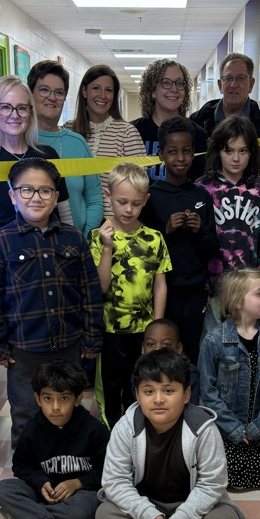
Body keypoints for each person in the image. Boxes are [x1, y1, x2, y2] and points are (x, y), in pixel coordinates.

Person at [96, 349, 244, 519]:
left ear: (186, 395)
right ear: (137, 395)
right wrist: (151, 516)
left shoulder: (203, 428)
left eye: (168, 390)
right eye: (149, 391)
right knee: (104, 514)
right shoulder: (126, 426)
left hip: (188, 507)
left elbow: (212, 485)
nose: (158, 399)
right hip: (145, 507)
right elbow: (115, 481)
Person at [0, 158, 103, 445]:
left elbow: (90, 292)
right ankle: (28, 472)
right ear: (12, 195)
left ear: (56, 196)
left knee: (69, 408)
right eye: (27, 190)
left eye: (45, 191)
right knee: (26, 412)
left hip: (70, 346)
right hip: (24, 351)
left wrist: (92, 338)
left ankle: (69, 463)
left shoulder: (74, 239)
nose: (36, 197)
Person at [0, 360, 109, 519]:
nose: (56, 407)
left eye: (64, 398)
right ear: (38, 399)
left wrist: (78, 482)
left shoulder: (94, 431)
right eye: (48, 398)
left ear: (78, 399)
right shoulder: (32, 429)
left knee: (85, 510)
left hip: (81, 494)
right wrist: (41, 481)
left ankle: (19, 518)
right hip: (43, 493)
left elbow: (108, 472)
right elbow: (21, 466)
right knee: (2, 489)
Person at [89, 162, 171, 428]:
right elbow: (101, 286)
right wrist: (107, 248)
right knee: (110, 386)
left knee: (138, 382)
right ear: (108, 196)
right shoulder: (96, 237)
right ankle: (112, 432)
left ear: (146, 200)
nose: (128, 209)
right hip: (110, 329)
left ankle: (137, 429)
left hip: (143, 330)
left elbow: (160, 285)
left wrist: (156, 328)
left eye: (135, 204)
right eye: (122, 202)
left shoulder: (155, 238)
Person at [199, 268, 260, 490]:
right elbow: (208, 392)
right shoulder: (214, 340)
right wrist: (233, 429)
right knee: (232, 481)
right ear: (238, 302)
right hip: (228, 427)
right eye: (259, 293)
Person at [140, 117, 219, 363]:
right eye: (172, 152)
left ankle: (189, 398)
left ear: (194, 153)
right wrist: (166, 230)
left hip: (195, 292)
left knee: (191, 352)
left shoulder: (201, 195)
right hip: (165, 292)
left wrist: (199, 231)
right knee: (163, 352)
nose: (180, 158)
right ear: (161, 154)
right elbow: (143, 249)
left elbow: (213, 249)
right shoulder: (152, 195)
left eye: (186, 151)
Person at [195, 115, 260, 330]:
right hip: (214, 286)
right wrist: (201, 285)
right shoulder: (204, 188)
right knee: (214, 344)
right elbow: (197, 240)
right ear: (218, 151)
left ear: (252, 152)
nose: (236, 158)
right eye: (228, 151)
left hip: (249, 285)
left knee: (247, 342)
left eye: (243, 151)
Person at [0, 75, 68, 248]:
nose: (15, 115)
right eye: (5, 107)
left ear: (30, 112)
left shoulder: (47, 154)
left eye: (22, 108)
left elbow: (65, 216)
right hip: (7, 262)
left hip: (51, 258)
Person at [191, 52, 260, 202]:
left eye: (240, 78)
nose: (233, 84)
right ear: (220, 84)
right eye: (228, 78)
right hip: (205, 211)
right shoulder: (198, 122)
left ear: (251, 84)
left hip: (249, 215)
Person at [27, 59, 103, 237]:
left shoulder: (77, 143)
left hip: (73, 247)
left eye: (59, 92)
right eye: (44, 89)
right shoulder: (19, 141)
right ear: (30, 93)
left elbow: (94, 200)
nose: (52, 98)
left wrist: (83, 239)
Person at [66, 64, 145, 213]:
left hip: (113, 222)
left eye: (108, 90)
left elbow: (138, 184)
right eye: (96, 88)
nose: (102, 95)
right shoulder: (69, 130)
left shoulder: (127, 132)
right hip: (72, 218)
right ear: (84, 91)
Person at [131, 59, 208, 182]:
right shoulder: (133, 132)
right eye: (166, 83)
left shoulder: (198, 135)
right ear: (152, 91)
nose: (174, 89)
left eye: (179, 83)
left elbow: (200, 183)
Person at [131, 318, 201, 405]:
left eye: (166, 345)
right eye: (150, 344)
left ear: (178, 348)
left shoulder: (190, 372)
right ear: (143, 348)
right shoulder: (139, 372)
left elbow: (191, 407)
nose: (157, 349)